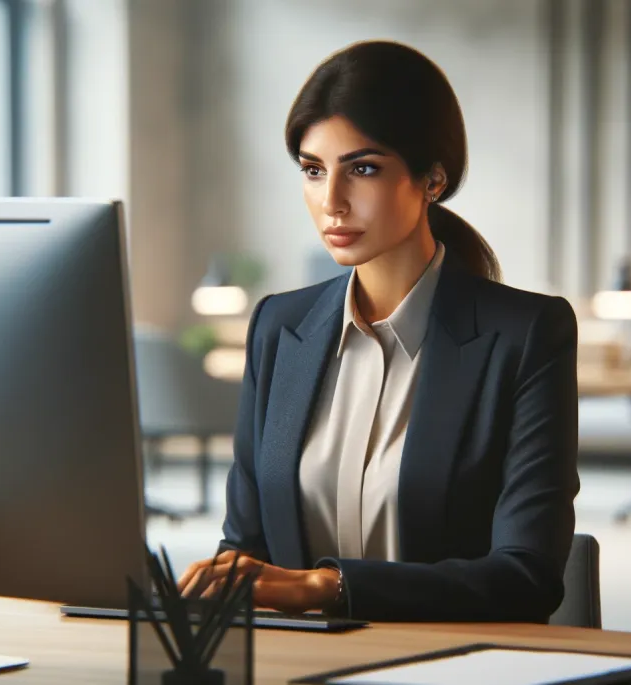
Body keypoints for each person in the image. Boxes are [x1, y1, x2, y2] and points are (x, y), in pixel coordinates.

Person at [176, 40, 579, 623]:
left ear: (433, 179)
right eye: (314, 171)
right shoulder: (278, 328)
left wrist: (325, 587)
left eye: (362, 169)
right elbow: (245, 547)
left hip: (448, 666)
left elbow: (526, 577)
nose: (331, 202)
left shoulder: (525, 336)